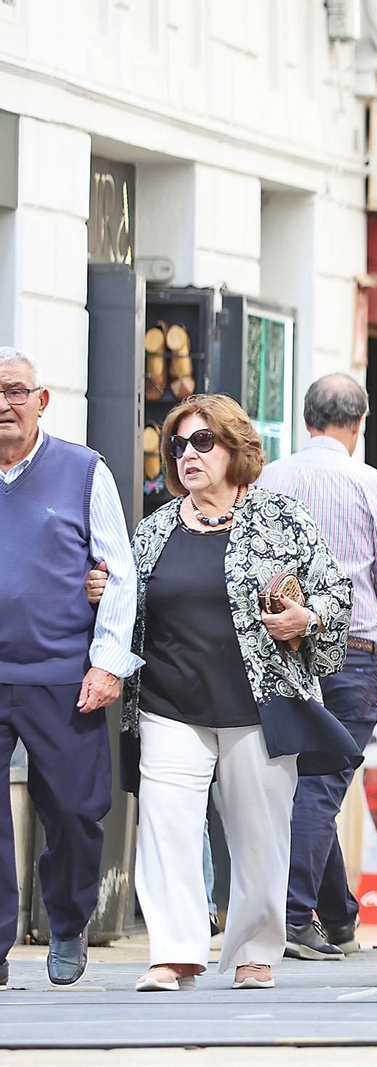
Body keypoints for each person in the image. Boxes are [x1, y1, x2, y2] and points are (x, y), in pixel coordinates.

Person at [123, 394, 357, 992]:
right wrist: (105, 593)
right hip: (168, 705)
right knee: (166, 827)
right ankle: (174, 951)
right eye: (178, 444)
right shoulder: (153, 530)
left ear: (235, 448)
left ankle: (255, 950)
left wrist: (306, 619)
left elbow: (336, 595)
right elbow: (128, 608)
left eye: (203, 442)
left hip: (258, 705)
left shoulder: (281, 518)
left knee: (259, 835)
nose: (188, 454)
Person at [255, 373, 377, 961]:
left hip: (275, 652)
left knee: (307, 784)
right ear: (360, 422)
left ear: (306, 420)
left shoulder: (268, 480)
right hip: (348, 651)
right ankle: (294, 917)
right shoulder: (372, 484)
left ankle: (339, 918)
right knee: (322, 785)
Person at [0, 347, 141, 988]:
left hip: (63, 673)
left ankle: (66, 921)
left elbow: (118, 573)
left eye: (15, 391)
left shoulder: (84, 471)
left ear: (41, 401)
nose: (5, 404)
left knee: (77, 812)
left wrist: (108, 662)